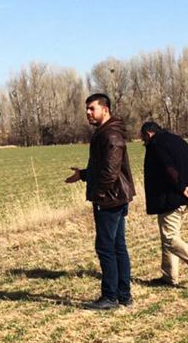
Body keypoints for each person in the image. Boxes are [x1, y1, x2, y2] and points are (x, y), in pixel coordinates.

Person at [65, 93, 136, 310]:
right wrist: (84, 174)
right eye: (86, 109)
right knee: (117, 246)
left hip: (109, 199)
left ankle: (110, 297)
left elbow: (109, 173)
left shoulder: (110, 136)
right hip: (115, 197)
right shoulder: (106, 133)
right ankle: (123, 295)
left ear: (105, 109)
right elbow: (102, 168)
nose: (88, 113)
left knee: (106, 247)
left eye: (92, 109)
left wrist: (99, 194)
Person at [139, 120, 188, 286]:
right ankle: (169, 276)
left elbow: (169, 168)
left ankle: (169, 276)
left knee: (170, 238)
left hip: (170, 197)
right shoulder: (178, 140)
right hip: (181, 197)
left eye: (143, 139)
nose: (144, 142)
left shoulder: (156, 145)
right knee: (169, 235)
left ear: (148, 134)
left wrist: (181, 187)